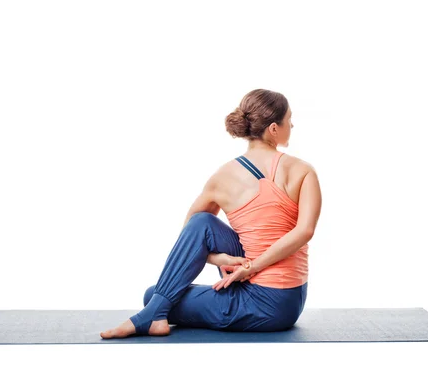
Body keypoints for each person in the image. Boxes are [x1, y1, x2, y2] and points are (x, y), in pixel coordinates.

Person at [100, 88, 322, 339]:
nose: (292, 124)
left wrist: (247, 267)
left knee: (155, 295)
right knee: (196, 234)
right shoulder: (303, 171)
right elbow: (305, 230)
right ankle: (155, 313)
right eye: (289, 118)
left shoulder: (223, 176)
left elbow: (190, 232)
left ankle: (152, 314)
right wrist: (223, 260)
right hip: (291, 300)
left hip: (264, 308)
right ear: (273, 128)